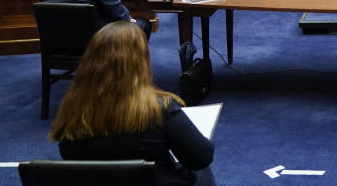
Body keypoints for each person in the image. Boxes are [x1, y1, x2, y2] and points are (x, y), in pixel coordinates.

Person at [50, 21, 216, 186]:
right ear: (141, 62)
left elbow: (67, 155)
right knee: (199, 171)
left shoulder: (72, 110)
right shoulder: (159, 108)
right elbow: (201, 158)